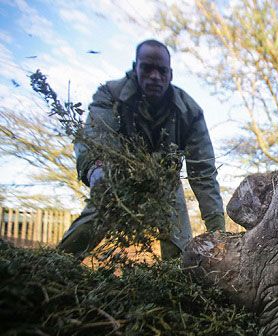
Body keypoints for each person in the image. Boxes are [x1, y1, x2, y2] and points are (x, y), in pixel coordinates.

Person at [58, 39, 225, 259]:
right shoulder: (110, 95)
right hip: (117, 175)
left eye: (162, 70)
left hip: (165, 180)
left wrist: (218, 230)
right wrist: (99, 172)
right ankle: (57, 266)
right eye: (147, 68)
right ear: (136, 67)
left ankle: (174, 282)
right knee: (97, 215)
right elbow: (95, 138)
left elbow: (203, 172)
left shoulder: (189, 111)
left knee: (179, 249)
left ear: (170, 74)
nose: (155, 76)